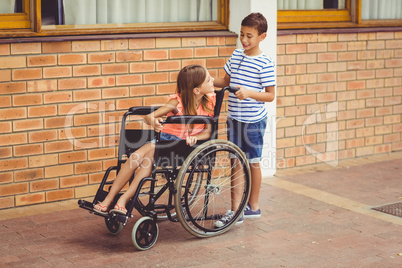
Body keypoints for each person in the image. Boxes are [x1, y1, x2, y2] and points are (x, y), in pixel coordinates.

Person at [94, 64, 216, 215]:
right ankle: (118, 199)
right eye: (209, 79)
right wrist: (153, 121)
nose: (213, 80)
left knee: (138, 156)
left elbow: (208, 132)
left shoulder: (209, 101)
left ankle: (115, 200)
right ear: (196, 90)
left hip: (183, 147)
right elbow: (149, 116)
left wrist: (195, 137)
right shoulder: (177, 102)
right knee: (140, 159)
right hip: (165, 141)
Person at [213, 12, 276, 227]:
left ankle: (253, 207)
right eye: (242, 34)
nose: (244, 40)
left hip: (253, 121)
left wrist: (248, 93)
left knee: (253, 162)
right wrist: (205, 79)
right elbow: (225, 81)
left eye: (249, 36)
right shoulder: (237, 55)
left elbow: (270, 95)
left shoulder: (265, 63)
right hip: (234, 119)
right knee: (235, 161)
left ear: (262, 36)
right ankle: (235, 210)